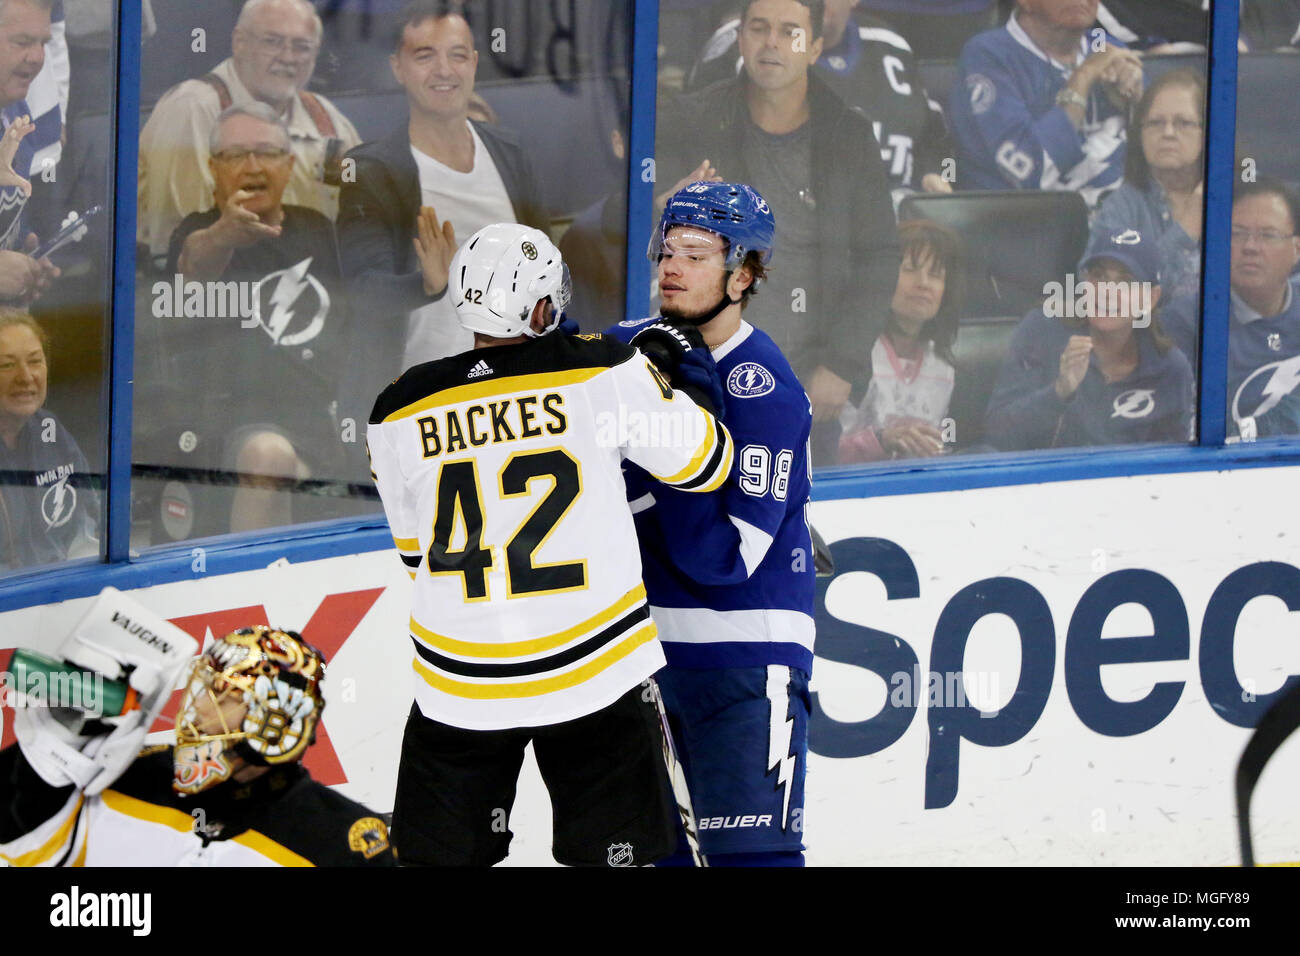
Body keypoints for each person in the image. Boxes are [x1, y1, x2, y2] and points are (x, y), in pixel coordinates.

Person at [367, 222, 734, 867]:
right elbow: (704, 464)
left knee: (439, 861)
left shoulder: (396, 409)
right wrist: (681, 378)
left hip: (460, 683)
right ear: (541, 308)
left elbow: (413, 554)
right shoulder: (603, 370)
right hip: (593, 673)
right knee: (615, 858)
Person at [610, 183, 815, 866]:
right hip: (637, 668)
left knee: (753, 861)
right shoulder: (629, 352)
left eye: (697, 254)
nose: (672, 267)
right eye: (668, 250)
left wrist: (672, 444)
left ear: (745, 274)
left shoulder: (765, 387)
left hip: (743, 672)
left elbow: (725, 556)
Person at [657, 0, 900, 462]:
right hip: (701, 373)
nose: (771, 42)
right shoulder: (691, 120)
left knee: (802, 526)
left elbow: (880, 255)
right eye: (759, 28)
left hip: (806, 380)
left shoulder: (848, 134)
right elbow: (619, 219)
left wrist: (842, 363)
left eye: (789, 31)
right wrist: (664, 205)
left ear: (814, 48)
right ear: (741, 37)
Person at [1, 587, 394, 866]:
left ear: (275, 723)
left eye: (225, 696)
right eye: (204, 688)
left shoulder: (340, 844)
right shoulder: (130, 779)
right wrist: (45, 755)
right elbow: (24, 852)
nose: (200, 709)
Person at [337, 0, 549, 427]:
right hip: (414, 410)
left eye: (456, 55)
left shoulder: (509, 153)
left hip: (510, 404)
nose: (444, 70)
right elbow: (362, 290)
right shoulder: (373, 170)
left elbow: (545, 273)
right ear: (398, 67)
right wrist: (427, 285)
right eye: (424, 55)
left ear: (473, 62)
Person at [160, 103, 350, 534]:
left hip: (320, 422)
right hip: (234, 426)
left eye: (266, 153)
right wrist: (222, 236)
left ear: (289, 164)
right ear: (213, 168)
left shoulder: (317, 228)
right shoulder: (197, 228)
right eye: (235, 155)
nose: (252, 166)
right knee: (269, 457)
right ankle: (248, 586)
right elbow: (194, 265)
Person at [137, 0, 362, 265]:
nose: (288, 57)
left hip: (314, 286)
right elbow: (177, 248)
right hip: (219, 290)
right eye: (272, 42)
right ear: (239, 43)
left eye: (301, 47)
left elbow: (359, 220)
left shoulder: (329, 122)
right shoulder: (193, 110)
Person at [686, 0, 955, 199]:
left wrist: (940, 175)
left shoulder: (892, 45)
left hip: (902, 230)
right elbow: (691, 151)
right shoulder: (740, 46)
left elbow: (940, 140)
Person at [984, 225, 1193, 450]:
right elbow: (997, 435)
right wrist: (1059, 391)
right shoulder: (1042, 330)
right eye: (1099, 276)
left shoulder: (1169, 368)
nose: (1106, 291)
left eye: (1126, 282)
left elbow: (1174, 465)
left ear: (1150, 299)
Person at [947, 0, 1141, 210]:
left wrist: (1135, 100)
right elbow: (1030, 172)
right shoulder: (989, 54)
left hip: (1122, 218)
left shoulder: (1104, 45)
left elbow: (1164, 152)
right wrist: (1083, 77)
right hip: (1031, 223)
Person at [1162, 179, 1300, 439]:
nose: (1250, 247)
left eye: (1268, 235)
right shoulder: (1187, 322)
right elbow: (1181, 432)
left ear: (1296, 249)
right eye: (1237, 233)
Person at [839, 218, 966, 462]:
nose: (924, 284)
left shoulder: (942, 365)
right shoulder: (850, 351)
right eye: (909, 269)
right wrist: (881, 441)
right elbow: (815, 452)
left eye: (936, 274)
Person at [1092, 69, 1205, 305]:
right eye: (1155, 123)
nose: (1168, 133)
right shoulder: (1120, 208)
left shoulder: (1238, 198)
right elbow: (1109, 300)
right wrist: (1184, 232)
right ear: (1139, 134)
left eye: (1183, 123)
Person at [0, 310, 96, 572]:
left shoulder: (49, 429)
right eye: (7, 365)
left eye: (35, 361)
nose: (26, 377)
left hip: (59, 588)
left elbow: (93, 517)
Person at [0, 0, 59, 303]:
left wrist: (24, 248)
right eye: (23, 42)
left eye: (43, 43)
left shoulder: (17, 114)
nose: (37, 57)